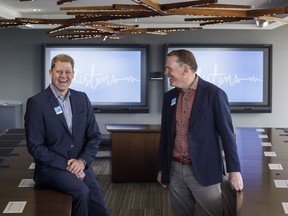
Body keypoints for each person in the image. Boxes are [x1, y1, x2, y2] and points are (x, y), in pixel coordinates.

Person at [157, 49, 244, 216]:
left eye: (169, 68)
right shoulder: (169, 97)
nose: (166, 73)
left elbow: (227, 134)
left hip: (204, 170)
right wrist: (162, 168)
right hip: (175, 169)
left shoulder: (214, 94)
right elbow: (165, 137)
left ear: (185, 69)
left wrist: (234, 170)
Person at [24, 54, 108, 216]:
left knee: (99, 210)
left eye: (68, 72)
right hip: (52, 169)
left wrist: (82, 162)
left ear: (73, 74)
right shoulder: (37, 103)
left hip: (80, 166)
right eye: (59, 72)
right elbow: (35, 146)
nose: (64, 76)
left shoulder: (82, 99)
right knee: (81, 192)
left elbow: (94, 136)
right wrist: (68, 165)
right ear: (50, 73)